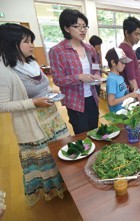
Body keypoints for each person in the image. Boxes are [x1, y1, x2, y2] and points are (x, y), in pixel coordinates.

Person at [0, 23, 69, 205]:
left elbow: (42, 86)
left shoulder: (31, 62)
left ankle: (67, 184)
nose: (32, 45)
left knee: (61, 151)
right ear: (11, 43)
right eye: (26, 42)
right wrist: (33, 103)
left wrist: (50, 92)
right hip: (32, 124)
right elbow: (2, 105)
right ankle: (53, 191)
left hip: (52, 118)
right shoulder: (4, 70)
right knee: (45, 158)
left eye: (32, 41)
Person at [49, 9, 101, 134]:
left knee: (95, 131)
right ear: (67, 28)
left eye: (84, 26)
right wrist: (78, 77)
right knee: (82, 135)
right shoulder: (57, 51)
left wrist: (97, 74)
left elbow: (95, 67)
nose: (82, 30)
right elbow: (57, 79)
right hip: (75, 101)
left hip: (92, 98)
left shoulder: (89, 48)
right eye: (77, 26)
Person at [105, 47, 140, 112]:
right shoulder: (111, 79)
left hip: (124, 110)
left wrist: (134, 94)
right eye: (122, 62)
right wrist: (128, 96)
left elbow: (124, 93)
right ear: (113, 62)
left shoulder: (119, 77)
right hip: (117, 115)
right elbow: (111, 102)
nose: (124, 65)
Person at [119, 16, 140, 92]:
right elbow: (131, 79)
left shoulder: (122, 47)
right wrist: (138, 97)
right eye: (136, 34)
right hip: (133, 92)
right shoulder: (127, 51)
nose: (138, 37)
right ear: (127, 33)